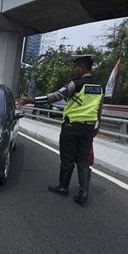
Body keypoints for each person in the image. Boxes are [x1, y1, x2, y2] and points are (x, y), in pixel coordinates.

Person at [18, 54, 104, 205]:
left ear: (82, 67)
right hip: (89, 128)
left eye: (75, 66)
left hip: (72, 126)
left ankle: (63, 187)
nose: (74, 69)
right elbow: (99, 109)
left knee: (67, 158)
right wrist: (97, 127)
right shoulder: (98, 86)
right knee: (83, 160)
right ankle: (83, 193)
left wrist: (32, 100)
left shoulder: (76, 84)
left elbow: (56, 96)